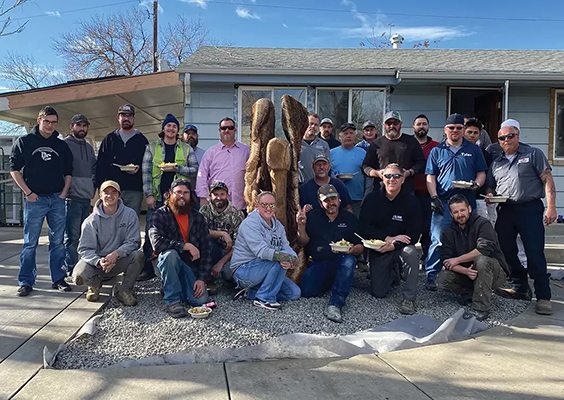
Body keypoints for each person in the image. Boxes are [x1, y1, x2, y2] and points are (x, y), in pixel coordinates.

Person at [486, 119, 557, 316]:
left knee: (534, 253)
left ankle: (543, 296)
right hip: (506, 210)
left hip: (530, 209)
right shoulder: (497, 161)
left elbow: (548, 180)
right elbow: (491, 186)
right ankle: (520, 287)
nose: (506, 140)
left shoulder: (533, 154)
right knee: (505, 250)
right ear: (498, 140)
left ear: (518, 135)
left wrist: (551, 207)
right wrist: (490, 195)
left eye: (510, 135)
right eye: (502, 137)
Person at [10, 106, 73, 296]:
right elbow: (14, 170)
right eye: (47, 121)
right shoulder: (24, 142)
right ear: (39, 121)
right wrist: (28, 192)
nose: (50, 125)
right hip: (35, 199)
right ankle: (26, 281)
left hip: (57, 199)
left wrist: (63, 192)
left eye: (54, 122)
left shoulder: (61, 145)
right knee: (30, 243)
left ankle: (58, 278)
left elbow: (69, 172)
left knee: (58, 242)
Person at [425, 113, 488, 291]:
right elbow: (431, 176)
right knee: (438, 239)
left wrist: (477, 184)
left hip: (466, 201)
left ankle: (467, 274)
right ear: (445, 130)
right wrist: (434, 197)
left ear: (463, 129)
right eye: (451, 128)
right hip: (444, 201)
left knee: (469, 239)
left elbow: (481, 172)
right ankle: (432, 274)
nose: (455, 131)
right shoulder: (437, 151)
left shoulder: (473, 149)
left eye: (459, 128)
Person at [140, 113, 198, 280]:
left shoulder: (186, 148)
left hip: (179, 200)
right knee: (151, 233)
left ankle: (175, 267)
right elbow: (146, 173)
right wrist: (149, 195)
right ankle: (148, 268)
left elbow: (194, 169)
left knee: (178, 232)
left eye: (174, 126)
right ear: (163, 128)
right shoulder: (152, 147)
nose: (171, 128)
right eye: (168, 125)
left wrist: (178, 168)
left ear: (177, 130)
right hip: (158, 198)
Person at [359, 163, 422, 315]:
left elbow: (414, 234)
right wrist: (387, 238)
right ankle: (393, 272)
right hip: (379, 247)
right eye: (387, 176)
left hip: (400, 247)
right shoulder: (371, 199)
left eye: (396, 176)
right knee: (378, 293)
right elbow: (363, 227)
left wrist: (394, 245)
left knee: (412, 253)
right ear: (382, 178)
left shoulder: (412, 202)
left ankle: (409, 298)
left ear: (402, 179)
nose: (391, 179)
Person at [296, 184, 363, 323]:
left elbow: (360, 246)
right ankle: (336, 281)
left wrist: (353, 249)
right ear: (320, 203)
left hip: (341, 261)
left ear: (339, 199)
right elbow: (303, 242)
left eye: (333, 199)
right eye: (327, 200)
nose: (331, 203)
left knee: (349, 261)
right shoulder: (313, 217)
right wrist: (301, 226)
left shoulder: (349, 219)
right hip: (319, 261)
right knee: (307, 292)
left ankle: (336, 303)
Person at [437, 195, 509, 321]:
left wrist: (458, 260)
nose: (460, 214)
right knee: (441, 279)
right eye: (456, 212)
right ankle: (472, 293)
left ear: (469, 209)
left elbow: (483, 249)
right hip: (467, 274)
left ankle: (481, 308)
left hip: (494, 272)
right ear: (451, 214)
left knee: (481, 260)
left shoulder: (483, 224)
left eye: (462, 210)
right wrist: (465, 271)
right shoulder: (448, 233)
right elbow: (446, 259)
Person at [148, 179, 214, 318]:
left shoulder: (198, 218)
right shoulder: (159, 215)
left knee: (200, 300)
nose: (182, 196)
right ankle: (172, 301)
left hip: (189, 265)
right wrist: (185, 245)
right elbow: (157, 243)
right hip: (165, 263)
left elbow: (207, 250)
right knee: (170, 254)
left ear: (191, 195)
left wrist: (202, 279)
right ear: (170, 194)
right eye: (178, 192)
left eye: (185, 193)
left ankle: (170, 286)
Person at [73, 180, 143, 305]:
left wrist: (116, 254)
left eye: (113, 192)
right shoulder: (90, 221)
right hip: (98, 263)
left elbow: (134, 241)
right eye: (106, 193)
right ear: (100, 195)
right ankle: (95, 285)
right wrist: (98, 261)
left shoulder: (130, 214)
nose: (110, 196)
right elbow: (84, 249)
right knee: (78, 275)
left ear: (119, 195)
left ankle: (125, 290)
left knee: (138, 256)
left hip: (119, 259)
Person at [230, 191, 301, 310]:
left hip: (266, 268)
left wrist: (293, 260)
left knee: (294, 293)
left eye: (272, 205)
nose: (269, 208)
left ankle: (250, 293)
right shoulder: (250, 224)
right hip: (244, 270)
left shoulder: (278, 226)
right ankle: (264, 298)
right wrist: (286, 258)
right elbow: (262, 252)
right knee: (278, 259)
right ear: (257, 206)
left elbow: (287, 248)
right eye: (264, 205)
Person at [96, 104, 148, 216]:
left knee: (131, 221)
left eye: (129, 116)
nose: (126, 118)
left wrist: (138, 170)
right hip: (112, 190)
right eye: (123, 115)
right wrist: (100, 187)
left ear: (134, 118)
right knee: (111, 221)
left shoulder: (142, 140)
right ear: (118, 118)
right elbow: (101, 165)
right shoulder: (109, 139)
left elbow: (147, 165)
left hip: (134, 190)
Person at [63, 114, 97, 276]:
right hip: (71, 199)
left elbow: (94, 170)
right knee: (71, 237)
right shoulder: (64, 145)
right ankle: (70, 268)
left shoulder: (89, 148)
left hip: (86, 199)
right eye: (79, 125)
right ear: (72, 127)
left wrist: (93, 188)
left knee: (85, 237)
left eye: (84, 126)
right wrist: (65, 192)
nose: (82, 128)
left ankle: (83, 268)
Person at [362, 111, 426, 194]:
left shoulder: (411, 141)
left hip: (406, 191)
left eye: (395, 123)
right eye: (389, 123)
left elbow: (421, 163)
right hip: (381, 191)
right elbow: (365, 167)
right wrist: (377, 173)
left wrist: (409, 172)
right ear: (384, 125)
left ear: (400, 124)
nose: (392, 126)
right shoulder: (376, 144)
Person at [196, 117, 250, 212]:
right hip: (218, 206)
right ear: (219, 130)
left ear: (235, 130)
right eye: (224, 128)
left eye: (230, 127)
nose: (227, 130)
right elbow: (202, 175)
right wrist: (202, 198)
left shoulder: (246, 150)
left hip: (241, 205)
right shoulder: (211, 152)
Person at [199, 181, 245, 284]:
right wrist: (223, 234)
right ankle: (207, 280)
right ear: (210, 196)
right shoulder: (204, 211)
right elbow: (200, 232)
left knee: (228, 275)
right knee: (205, 241)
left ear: (227, 195)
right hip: (211, 250)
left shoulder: (236, 214)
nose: (219, 198)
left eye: (222, 194)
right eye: (215, 194)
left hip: (230, 253)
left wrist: (221, 262)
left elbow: (240, 244)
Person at [412, 114, 439, 268]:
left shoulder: (436, 146)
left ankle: (428, 258)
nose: (421, 126)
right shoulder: (408, 144)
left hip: (430, 193)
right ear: (413, 127)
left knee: (429, 227)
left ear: (428, 127)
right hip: (411, 192)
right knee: (413, 226)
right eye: (418, 124)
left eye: (424, 124)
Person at [331, 123, 366, 216]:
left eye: (351, 133)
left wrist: (366, 195)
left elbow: (367, 176)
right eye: (345, 133)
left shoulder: (362, 153)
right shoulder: (331, 153)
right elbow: (325, 174)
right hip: (335, 198)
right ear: (340, 136)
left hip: (357, 198)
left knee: (356, 227)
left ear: (355, 136)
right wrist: (334, 179)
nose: (348, 136)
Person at [464, 118, 492, 220]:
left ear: (480, 135)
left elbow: (489, 175)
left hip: (479, 197)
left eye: (475, 133)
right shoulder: (456, 151)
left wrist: (489, 191)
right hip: (459, 196)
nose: (472, 135)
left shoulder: (485, 154)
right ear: (463, 132)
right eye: (469, 132)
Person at [298, 112, 331, 184]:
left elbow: (328, 165)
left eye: (316, 125)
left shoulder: (324, 145)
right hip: (300, 184)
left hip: (318, 184)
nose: (313, 126)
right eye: (311, 123)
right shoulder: (296, 144)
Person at [356, 120, 378, 195]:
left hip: (378, 175)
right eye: (367, 130)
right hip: (362, 174)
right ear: (363, 132)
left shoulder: (381, 144)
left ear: (376, 131)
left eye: (371, 130)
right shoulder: (358, 146)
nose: (369, 132)